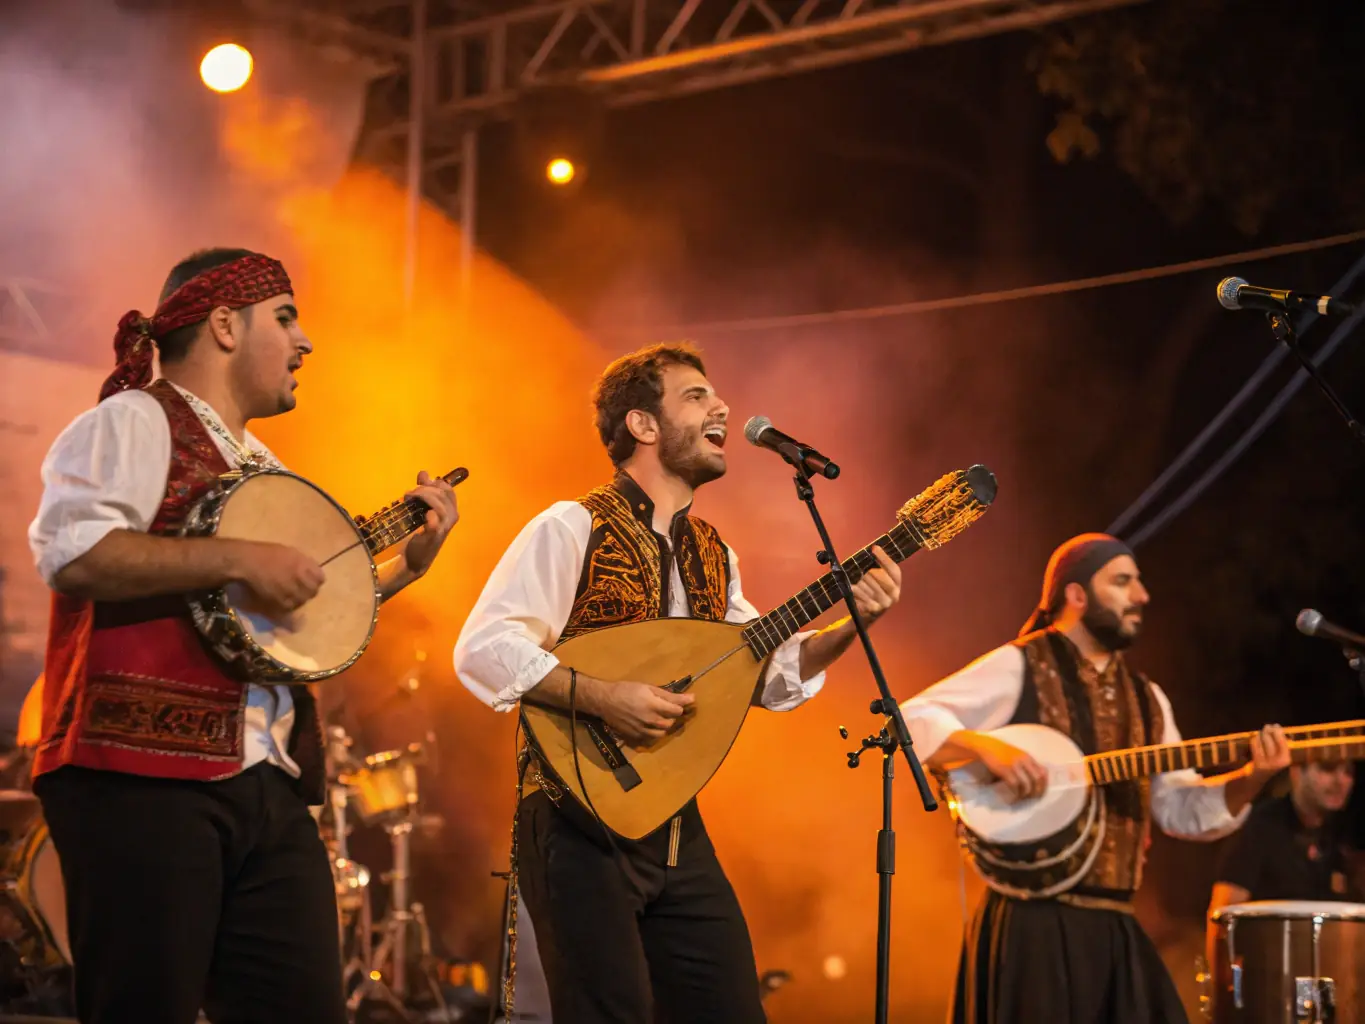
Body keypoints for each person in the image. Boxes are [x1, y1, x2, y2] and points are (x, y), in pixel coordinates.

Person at [27, 248, 459, 1024]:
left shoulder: (262, 464)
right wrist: (240, 555)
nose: (305, 342)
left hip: (266, 781)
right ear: (225, 324)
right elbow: (74, 554)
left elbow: (280, 615)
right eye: (286, 317)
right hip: (139, 776)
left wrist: (400, 570)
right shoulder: (133, 420)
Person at [454, 342, 902, 1024]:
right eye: (696, 396)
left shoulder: (713, 553)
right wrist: (604, 697)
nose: (721, 406)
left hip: (672, 823)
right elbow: (484, 648)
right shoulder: (571, 526)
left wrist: (851, 627)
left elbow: (768, 676)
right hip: (576, 820)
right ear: (642, 425)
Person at [900, 533, 1290, 1024]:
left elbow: (1180, 810)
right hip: (1030, 924)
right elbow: (908, 721)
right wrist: (985, 748)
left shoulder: (1148, 700)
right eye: (1123, 582)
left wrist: (1253, 777)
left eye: (1139, 583)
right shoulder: (1020, 664)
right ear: (1076, 595)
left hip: (1113, 926)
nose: (1142, 596)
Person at [1206, 758, 1361, 963]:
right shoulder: (1262, 826)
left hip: (1335, 976)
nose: (1341, 781)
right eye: (1328, 768)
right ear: (1296, 771)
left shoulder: (1347, 833)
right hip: (1271, 978)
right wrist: (1223, 988)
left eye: (1348, 772)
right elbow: (1223, 916)